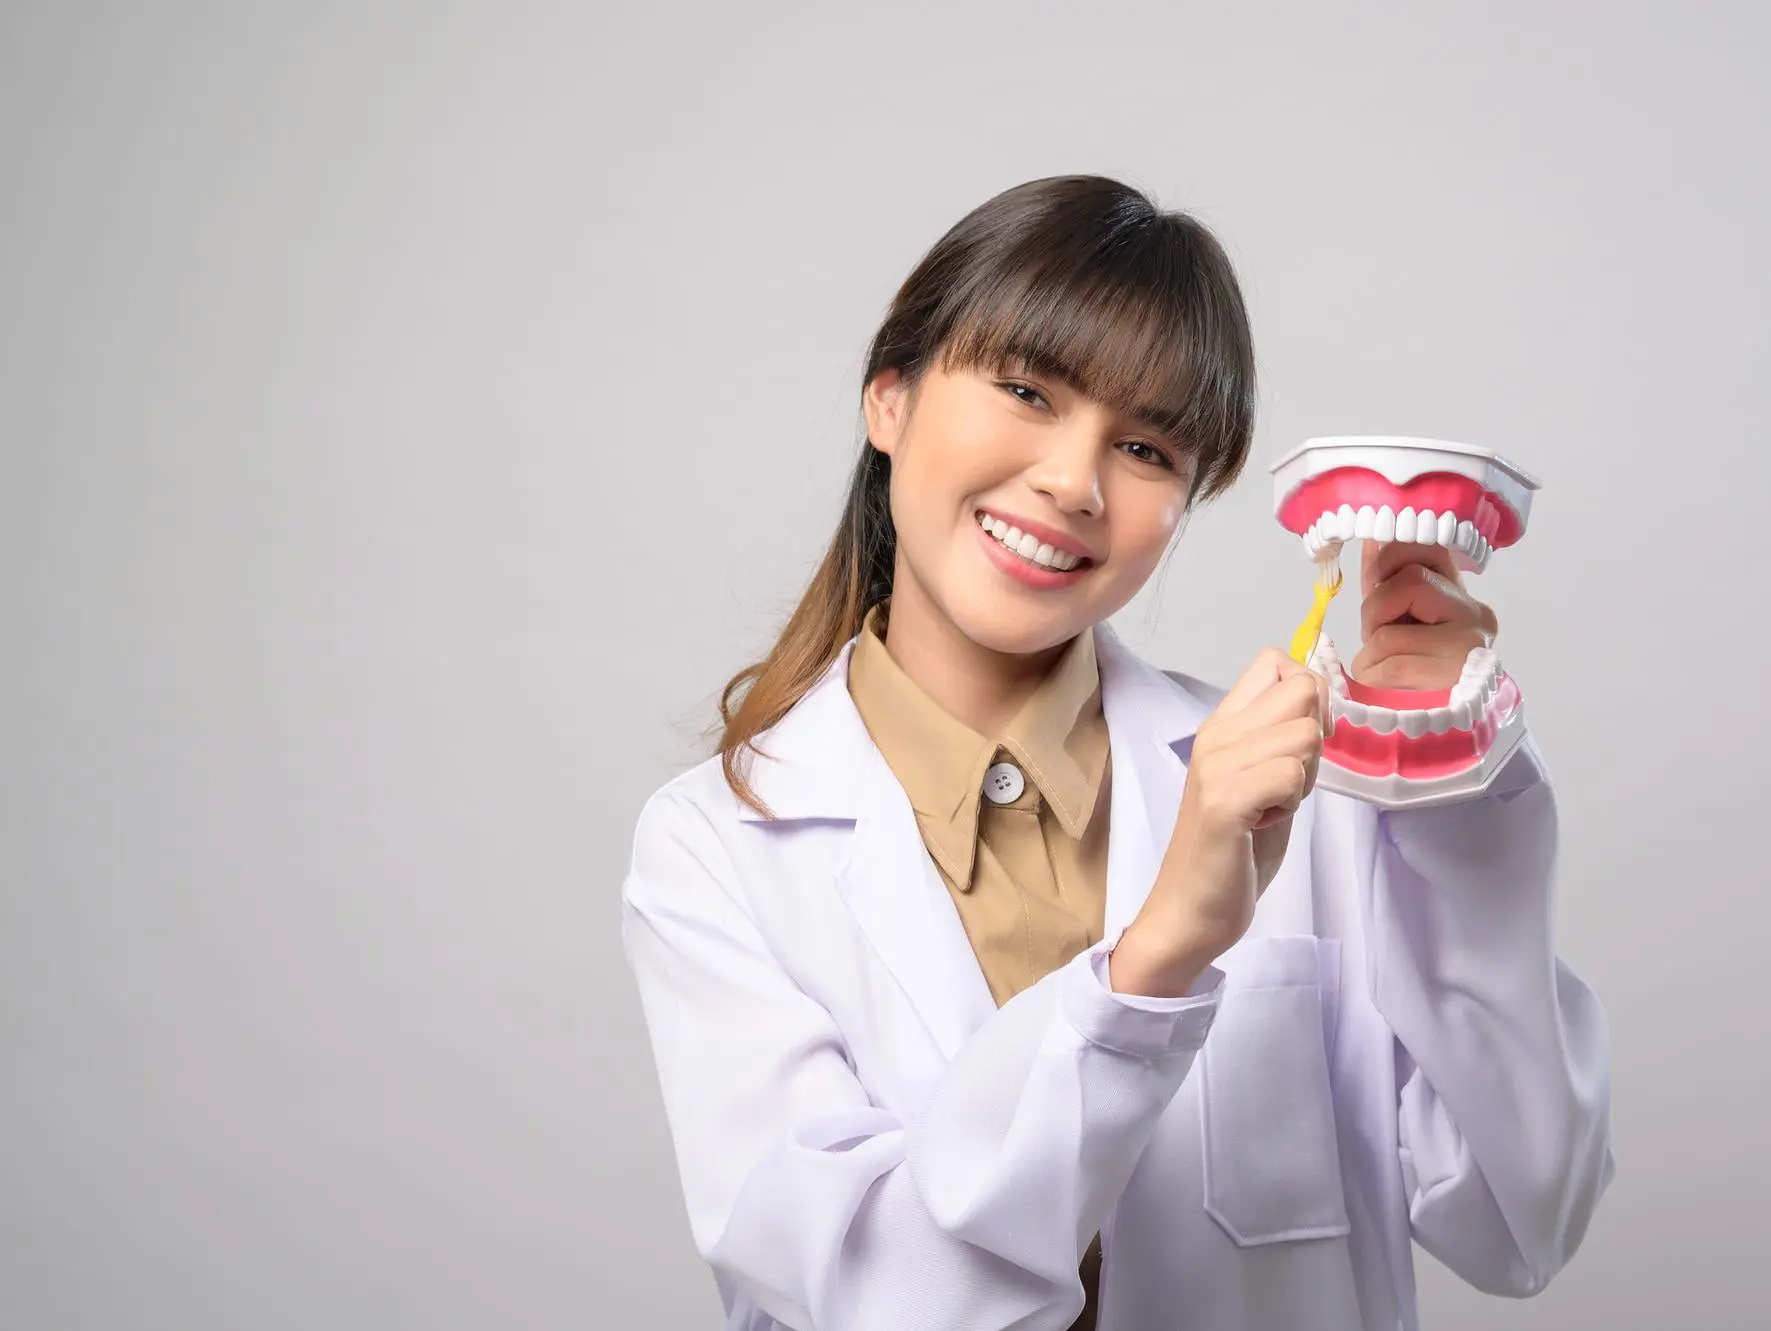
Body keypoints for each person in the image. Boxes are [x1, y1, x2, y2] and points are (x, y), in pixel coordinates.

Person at [620, 174, 1614, 1331]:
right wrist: (1155, 960)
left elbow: (1519, 1217)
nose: (1072, 482)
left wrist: (1444, 790)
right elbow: (876, 1297)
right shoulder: (714, 845)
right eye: (1026, 389)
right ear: (887, 398)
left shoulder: (1302, 795)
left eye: (1144, 447)